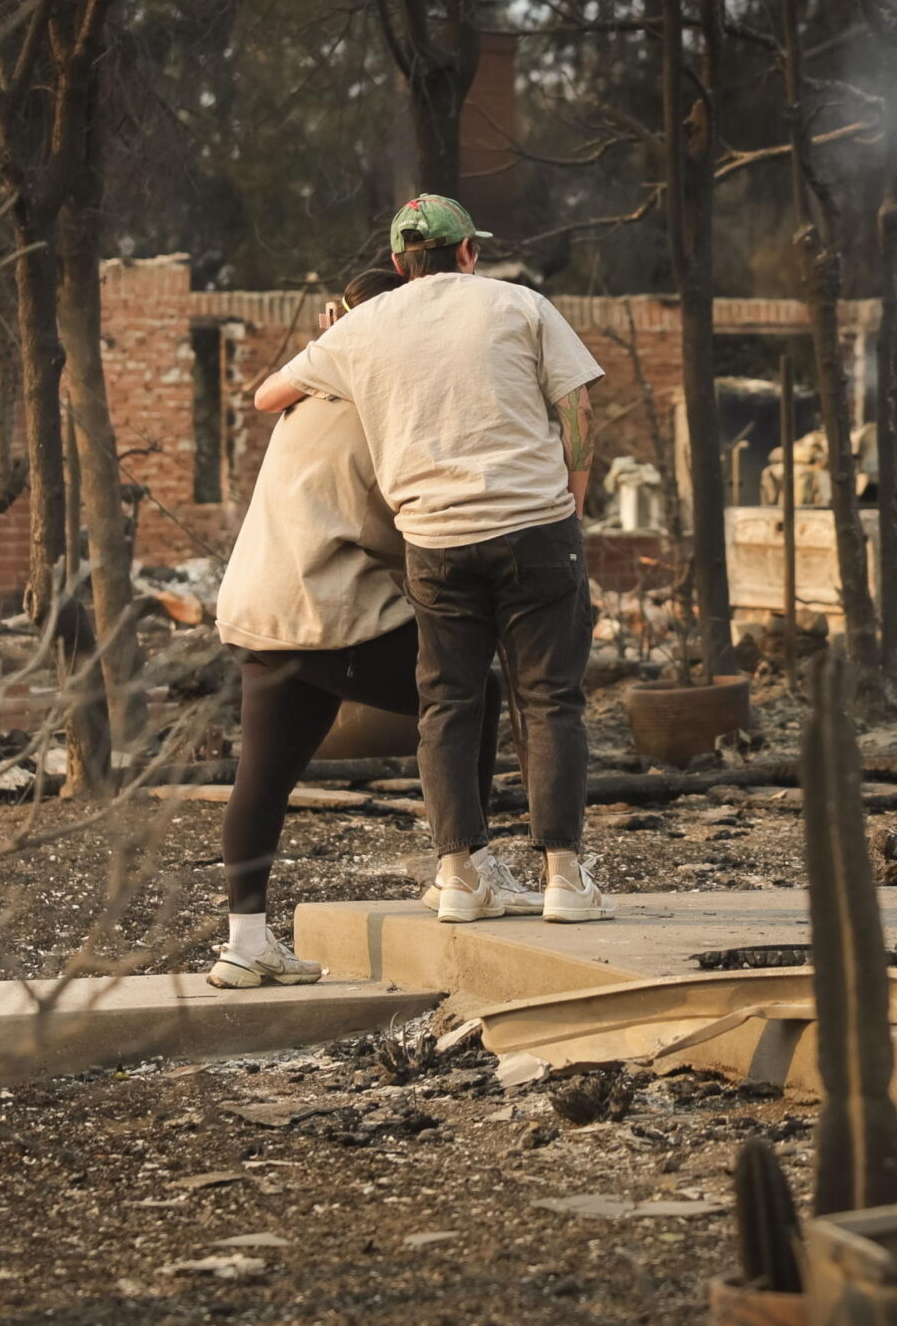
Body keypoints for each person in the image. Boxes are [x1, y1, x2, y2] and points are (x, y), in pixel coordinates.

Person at [254, 194, 611, 924]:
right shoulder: (520, 304)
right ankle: (564, 880)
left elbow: (266, 396)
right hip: (536, 527)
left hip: (438, 541)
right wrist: (573, 502)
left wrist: (336, 349)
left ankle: (457, 877)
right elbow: (576, 408)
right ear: (469, 252)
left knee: (449, 702)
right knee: (549, 700)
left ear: (397, 263)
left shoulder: (366, 327)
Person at [205, 267, 529, 989]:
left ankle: (246, 942)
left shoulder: (315, 389)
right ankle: (464, 869)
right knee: (468, 691)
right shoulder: (385, 398)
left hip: (262, 606)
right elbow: (413, 515)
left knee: (265, 771)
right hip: (328, 606)